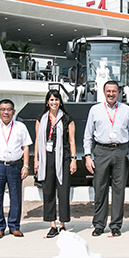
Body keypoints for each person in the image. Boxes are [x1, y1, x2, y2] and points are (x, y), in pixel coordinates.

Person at [84, 80, 129, 237]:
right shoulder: (95, 110)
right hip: (101, 150)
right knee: (99, 188)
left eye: (114, 91)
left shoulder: (126, 109)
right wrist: (87, 155)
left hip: (121, 151)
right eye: (108, 91)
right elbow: (88, 135)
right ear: (104, 92)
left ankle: (115, 225)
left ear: (118, 93)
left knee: (118, 190)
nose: (111, 94)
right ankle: (99, 224)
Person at [0, 99, 32, 238]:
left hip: (15, 166)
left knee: (15, 197)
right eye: (3, 109)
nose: (6, 112)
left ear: (13, 112)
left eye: (9, 109)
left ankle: (14, 226)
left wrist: (25, 166)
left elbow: (26, 147)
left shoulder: (20, 127)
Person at [34, 90, 78, 237]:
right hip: (46, 158)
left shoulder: (67, 119)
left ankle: (63, 223)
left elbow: (72, 140)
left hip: (63, 158)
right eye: (51, 100)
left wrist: (73, 159)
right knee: (48, 192)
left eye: (56, 100)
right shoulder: (41, 118)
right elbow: (37, 140)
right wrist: (36, 160)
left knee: (63, 191)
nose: (54, 102)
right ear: (47, 102)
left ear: (60, 102)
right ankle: (52, 224)